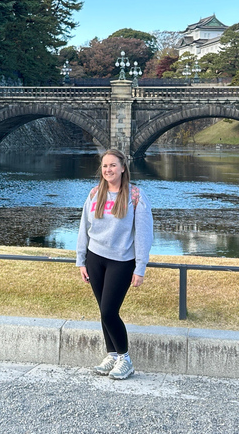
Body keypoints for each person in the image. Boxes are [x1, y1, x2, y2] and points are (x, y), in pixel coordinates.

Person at [76, 148, 153, 380]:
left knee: (110, 311)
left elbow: (143, 235)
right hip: (95, 257)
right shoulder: (94, 194)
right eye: (104, 166)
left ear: (122, 167)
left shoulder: (136, 196)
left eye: (112, 165)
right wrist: (81, 260)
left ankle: (125, 359)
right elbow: (84, 228)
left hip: (122, 261)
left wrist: (140, 267)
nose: (108, 170)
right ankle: (112, 354)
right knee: (103, 311)